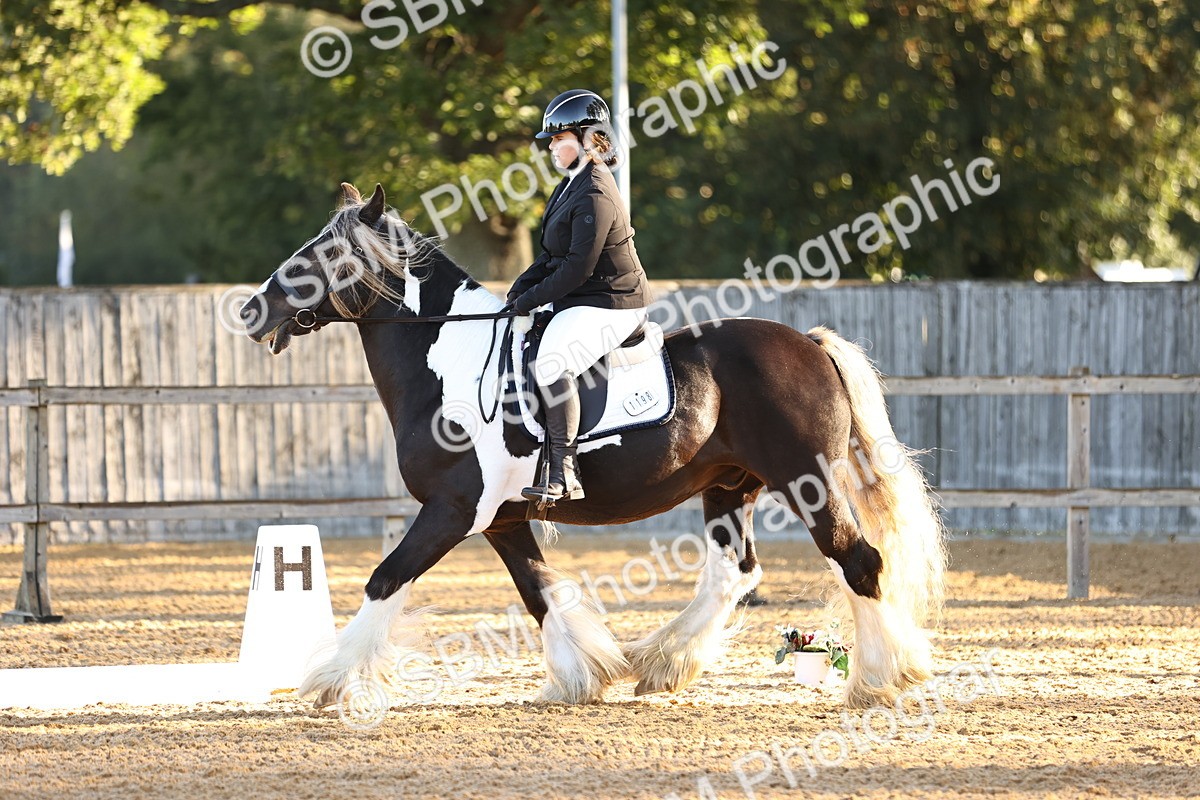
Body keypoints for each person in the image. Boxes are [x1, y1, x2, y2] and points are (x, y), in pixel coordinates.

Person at [506, 89, 651, 504]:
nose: (551, 146)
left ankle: (564, 473)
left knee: (554, 360)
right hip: (584, 296)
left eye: (558, 137)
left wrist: (530, 300)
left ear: (591, 139)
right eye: (551, 140)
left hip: (613, 301)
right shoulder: (571, 185)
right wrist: (519, 288)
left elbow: (577, 267)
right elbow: (552, 256)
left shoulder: (596, 192)